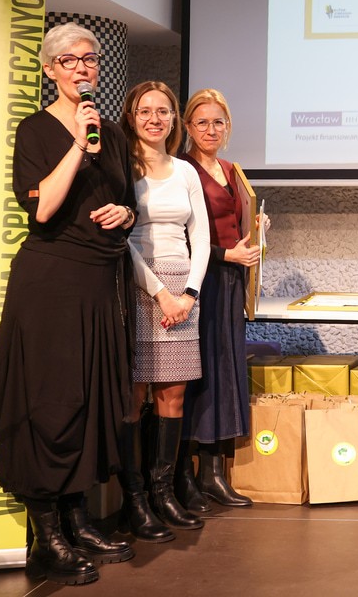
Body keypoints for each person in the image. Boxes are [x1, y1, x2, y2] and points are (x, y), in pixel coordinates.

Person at [0, 22, 137, 586]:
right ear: (50, 70)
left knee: (89, 401)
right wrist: (77, 143)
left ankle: (78, 521)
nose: (82, 68)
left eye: (90, 59)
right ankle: (47, 539)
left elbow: (127, 203)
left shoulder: (112, 134)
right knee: (50, 403)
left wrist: (127, 214)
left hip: (98, 283)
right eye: (70, 60)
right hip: (50, 284)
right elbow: (43, 208)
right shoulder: (35, 130)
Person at [120, 80, 208, 538]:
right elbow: (122, 238)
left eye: (163, 111)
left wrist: (189, 293)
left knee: (172, 394)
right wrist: (159, 293)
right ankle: (135, 501)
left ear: (174, 119)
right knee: (134, 396)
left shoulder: (186, 170)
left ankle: (164, 494)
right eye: (145, 111)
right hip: (138, 284)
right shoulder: (121, 165)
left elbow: (202, 238)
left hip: (183, 289)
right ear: (131, 117)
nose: (154, 119)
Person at [178, 87, 267, 508]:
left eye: (218, 122)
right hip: (200, 281)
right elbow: (179, 235)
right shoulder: (181, 169)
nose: (211, 129)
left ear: (227, 126)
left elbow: (235, 223)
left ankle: (213, 474)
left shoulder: (232, 170)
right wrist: (225, 254)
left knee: (223, 372)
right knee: (197, 374)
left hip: (230, 283)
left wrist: (257, 228)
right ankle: (186, 476)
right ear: (187, 126)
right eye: (202, 122)